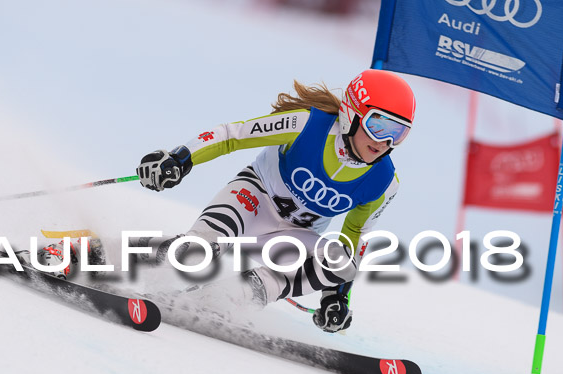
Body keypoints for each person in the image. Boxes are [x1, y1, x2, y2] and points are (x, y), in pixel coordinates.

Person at [42, 69, 416, 333]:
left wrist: (337, 298)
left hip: (294, 234)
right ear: (353, 113)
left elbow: (354, 237)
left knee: (343, 264)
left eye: (398, 133)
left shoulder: (384, 181)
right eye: (379, 125)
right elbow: (232, 135)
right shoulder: (307, 124)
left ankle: (226, 299)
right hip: (255, 196)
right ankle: (89, 254)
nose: (384, 141)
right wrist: (179, 158)